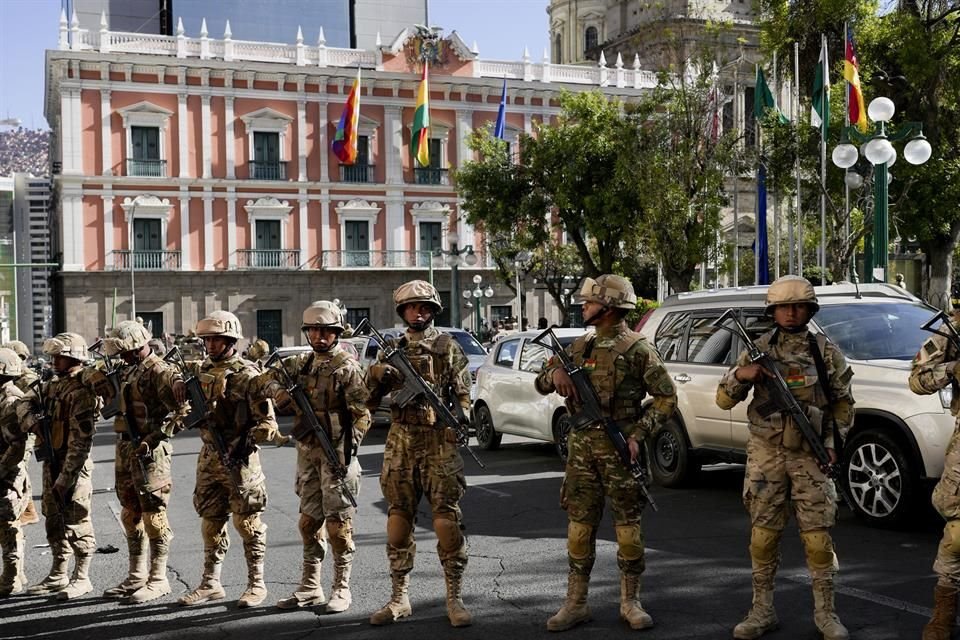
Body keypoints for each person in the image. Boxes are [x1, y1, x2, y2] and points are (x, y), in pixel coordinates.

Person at [534, 274, 677, 632]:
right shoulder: (579, 347)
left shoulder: (637, 348)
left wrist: (639, 434)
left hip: (620, 450)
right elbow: (540, 381)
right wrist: (556, 376)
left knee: (628, 531)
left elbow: (666, 398)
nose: (583, 306)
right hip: (582, 451)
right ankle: (576, 603)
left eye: (590, 302)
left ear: (610, 307)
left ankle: (631, 601)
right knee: (579, 529)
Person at [716, 275, 854, 640]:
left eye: (798, 307)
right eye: (784, 307)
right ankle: (762, 611)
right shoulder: (756, 348)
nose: (791, 313)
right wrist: (741, 377)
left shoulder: (825, 352)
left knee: (818, 540)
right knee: (763, 538)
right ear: (773, 311)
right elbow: (723, 400)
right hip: (767, 455)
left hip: (810, 456)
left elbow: (843, 404)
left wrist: (831, 442)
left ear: (810, 310)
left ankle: (827, 614)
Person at [366, 280, 474, 627]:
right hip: (400, 441)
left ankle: (454, 597)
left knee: (446, 522)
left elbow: (463, 393)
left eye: (425, 307)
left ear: (433, 311)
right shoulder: (390, 349)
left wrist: (460, 419)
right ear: (402, 311)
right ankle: (399, 598)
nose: (419, 312)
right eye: (412, 307)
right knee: (398, 522)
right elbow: (365, 400)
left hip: (438, 441)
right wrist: (376, 374)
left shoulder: (448, 346)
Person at [255, 300, 370, 612]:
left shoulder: (347, 367)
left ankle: (341, 587)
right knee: (308, 522)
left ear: (336, 333)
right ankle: (309, 586)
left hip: (337, 455)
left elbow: (362, 415)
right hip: (308, 452)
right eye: (314, 330)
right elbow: (263, 377)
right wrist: (278, 392)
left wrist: (347, 450)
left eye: (326, 331)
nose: (319, 336)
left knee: (339, 525)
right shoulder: (300, 365)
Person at [178, 311, 279, 608]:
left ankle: (256, 584)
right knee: (211, 522)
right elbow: (184, 407)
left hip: (240, 458)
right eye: (207, 339)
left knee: (248, 523)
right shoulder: (199, 371)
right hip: (209, 457)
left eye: (216, 339)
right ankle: (210, 582)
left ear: (231, 340)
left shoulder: (247, 375)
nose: (210, 344)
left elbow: (267, 421)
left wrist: (251, 438)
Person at [102, 320, 186, 604]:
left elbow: (181, 411)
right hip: (126, 446)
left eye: (125, 351)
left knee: (154, 514)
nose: (121, 357)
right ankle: (136, 575)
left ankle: (158, 578)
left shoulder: (160, 371)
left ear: (139, 346)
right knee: (130, 512)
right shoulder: (129, 369)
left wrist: (155, 436)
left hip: (151, 452)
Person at [20, 334, 101, 600]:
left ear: (74, 357)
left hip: (72, 463)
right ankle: (59, 572)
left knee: (77, 519)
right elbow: (24, 402)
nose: (54, 361)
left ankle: (82, 577)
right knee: (53, 516)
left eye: (60, 356)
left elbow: (81, 441)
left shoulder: (81, 392)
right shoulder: (53, 385)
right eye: (53, 356)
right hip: (52, 458)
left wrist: (66, 476)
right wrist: (32, 421)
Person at [909, 307, 960, 640]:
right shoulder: (953, 330)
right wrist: (953, 369)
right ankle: (944, 613)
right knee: (957, 533)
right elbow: (916, 379)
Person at [0, 348, 28, 596]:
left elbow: (17, 445)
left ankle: (11, 579)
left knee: (8, 527)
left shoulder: (10, 400)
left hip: (6, 473)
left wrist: (1, 471)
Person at [3, 340, 39, 526]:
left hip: (24, 427)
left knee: (20, 469)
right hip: (18, 424)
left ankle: (27, 509)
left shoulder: (26, 378)